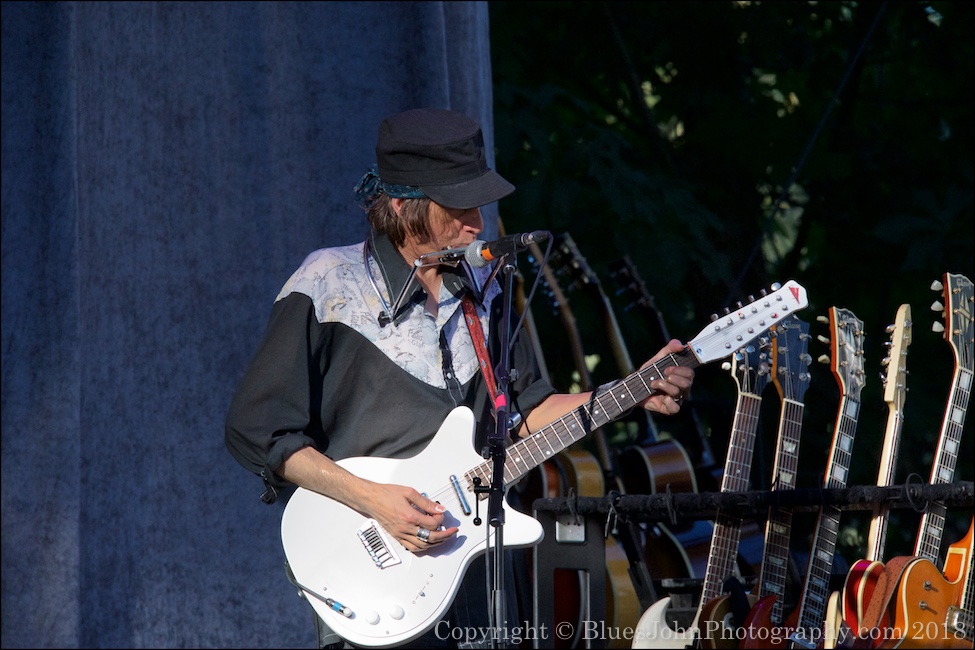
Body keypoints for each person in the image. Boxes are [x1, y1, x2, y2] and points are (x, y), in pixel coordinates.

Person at [224, 107, 695, 649]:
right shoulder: (328, 285)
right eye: (459, 205)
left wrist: (629, 392)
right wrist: (374, 500)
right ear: (402, 207)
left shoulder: (485, 288)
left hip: (479, 563)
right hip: (372, 568)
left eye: (479, 203)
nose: (477, 222)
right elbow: (257, 430)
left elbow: (524, 412)